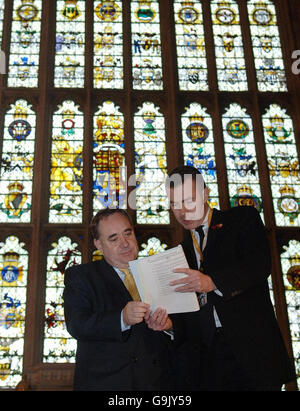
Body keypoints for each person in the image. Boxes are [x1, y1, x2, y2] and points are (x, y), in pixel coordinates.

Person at [165, 165, 296, 391]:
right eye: (175, 204)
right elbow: (187, 314)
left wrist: (212, 282)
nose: (182, 212)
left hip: (251, 352)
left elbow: (258, 265)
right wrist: (169, 325)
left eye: (188, 200)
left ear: (205, 193)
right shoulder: (180, 252)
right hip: (206, 363)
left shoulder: (241, 219)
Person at [63, 208, 173, 391]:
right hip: (105, 384)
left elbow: (187, 327)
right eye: (113, 239)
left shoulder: (157, 272)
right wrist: (121, 319)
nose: (125, 244)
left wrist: (169, 327)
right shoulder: (82, 276)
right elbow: (77, 324)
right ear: (98, 244)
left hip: (158, 384)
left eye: (128, 234)